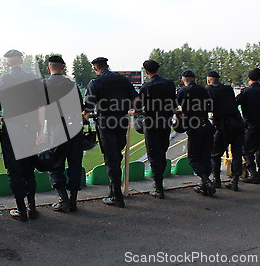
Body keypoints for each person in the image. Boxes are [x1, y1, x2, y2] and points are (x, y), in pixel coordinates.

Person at [0, 49, 44, 221]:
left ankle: (21, 209)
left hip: (12, 127)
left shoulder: (3, 80)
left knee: (14, 169)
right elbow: (41, 105)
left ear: (8, 63)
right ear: (21, 61)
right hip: (30, 127)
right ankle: (32, 207)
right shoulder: (33, 79)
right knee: (29, 168)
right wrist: (41, 129)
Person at [83, 57, 139, 207]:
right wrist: (138, 111)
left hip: (106, 122)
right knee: (117, 155)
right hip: (122, 120)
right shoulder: (123, 79)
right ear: (107, 66)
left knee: (111, 157)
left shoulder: (95, 82)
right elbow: (136, 99)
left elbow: (88, 106)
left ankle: (117, 196)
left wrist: (85, 117)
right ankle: (113, 190)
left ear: (95, 69)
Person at [45, 56, 84, 212]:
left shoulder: (44, 85)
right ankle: (73, 200)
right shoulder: (72, 85)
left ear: (49, 68)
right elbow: (80, 106)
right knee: (75, 164)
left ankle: (63, 199)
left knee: (55, 165)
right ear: (63, 67)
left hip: (56, 127)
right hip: (74, 126)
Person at [135, 60, 176, 199]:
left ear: (146, 72)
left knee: (153, 154)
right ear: (158, 70)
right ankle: (160, 184)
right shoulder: (170, 84)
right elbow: (174, 102)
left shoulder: (146, 86)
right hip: (166, 122)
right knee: (162, 152)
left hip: (151, 123)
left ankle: (158, 187)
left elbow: (138, 108)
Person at [176, 70, 215, 196]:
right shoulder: (204, 90)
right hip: (206, 125)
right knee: (206, 156)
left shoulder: (183, 91)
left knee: (193, 158)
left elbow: (174, 106)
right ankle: (204, 185)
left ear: (182, 80)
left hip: (194, 127)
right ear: (194, 79)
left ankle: (206, 181)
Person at [205, 71, 245, 191]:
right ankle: (234, 181)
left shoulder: (209, 89)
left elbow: (209, 106)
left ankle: (216, 180)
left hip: (224, 125)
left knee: (215, 154)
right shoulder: (228, 89)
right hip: (238, 123)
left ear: (208, 80)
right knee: (237, 154)